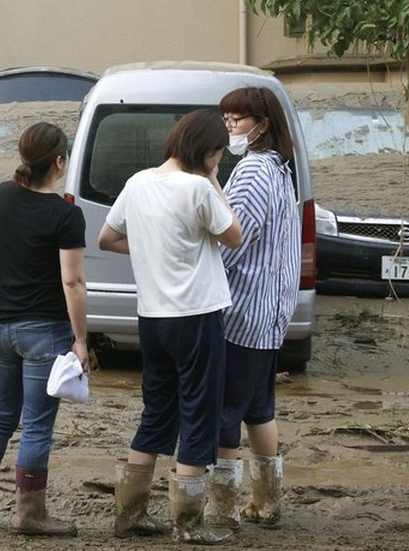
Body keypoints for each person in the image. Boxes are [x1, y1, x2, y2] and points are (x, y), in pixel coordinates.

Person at [98, 108, 242, 545]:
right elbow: (234, 234)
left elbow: (106, 238)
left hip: (152, 317)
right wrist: (215, 180)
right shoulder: (199, 187)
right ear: (209, 151)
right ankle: (188, 523)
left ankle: (130, 514)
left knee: (157, 410)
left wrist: (148, 251)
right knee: (199, 412)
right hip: (196, 315)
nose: (219, 159)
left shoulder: (137, 182)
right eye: (219, 153)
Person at [0, 121, 89, 537]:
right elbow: (72, 282)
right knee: (36, 424)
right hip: (44, 331)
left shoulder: (0, 195)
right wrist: (82, 339)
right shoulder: (65, 215)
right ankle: (29, 515)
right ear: (58, 162)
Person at [206, 87, 301, 529]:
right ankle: (267, 502)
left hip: (241, 314)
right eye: (226, 119)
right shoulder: (282, 170)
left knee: (226, 411)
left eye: (238, 120)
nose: (230, 127)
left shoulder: (252, 172)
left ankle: (221, 508)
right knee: (259, 408)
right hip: (271, 313)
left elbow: (232, 240)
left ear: (262, 123)